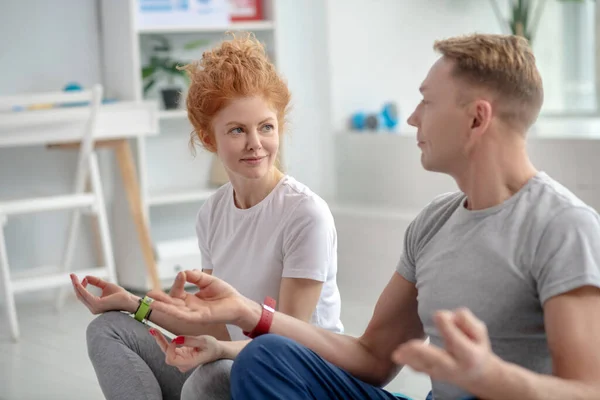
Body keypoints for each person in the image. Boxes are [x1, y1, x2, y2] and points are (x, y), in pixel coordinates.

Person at [149, 33, 600, 400]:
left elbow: (588, 391)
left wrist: (490, 377)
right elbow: (373, 358)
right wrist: (250, 313)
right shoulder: (433, 223)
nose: (411, 118)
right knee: (264, 358)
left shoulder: (563, 226)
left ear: (477, 119)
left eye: (427, 102)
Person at [70, 32, 343, 400]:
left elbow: (288, 346)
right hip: (232, 361)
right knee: (108, 329)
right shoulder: (214, 212)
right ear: (208, 137)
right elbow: (213, 324)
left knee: (210, 377)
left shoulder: (305, 214)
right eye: (237, 130)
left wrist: (218, 352)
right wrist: (133, 303)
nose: (255, 143)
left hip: (292, 379)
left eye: (266, 126)